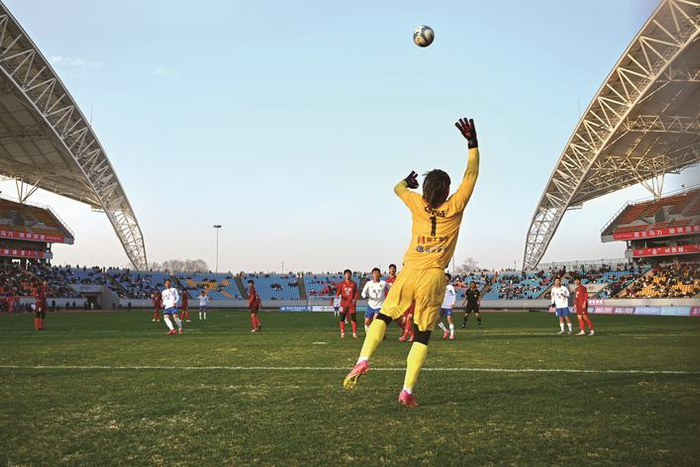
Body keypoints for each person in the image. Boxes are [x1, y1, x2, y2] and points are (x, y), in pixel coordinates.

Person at [344, 117, 481, 408]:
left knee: (383, 317)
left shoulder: (416, 203)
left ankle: (363, 358)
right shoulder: (455, 205)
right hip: (434, 276)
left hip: (409, 272)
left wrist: (408, 182)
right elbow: (471, 175)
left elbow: (397, 189)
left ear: (425, 190)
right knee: (422, 336)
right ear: (447, 190)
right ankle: (406, 390)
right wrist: (472, 143)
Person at [361, 268, 387, 333]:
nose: (376, 274)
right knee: (367, 321)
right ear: (372, 274)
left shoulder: (383, 283)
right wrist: (365, 297)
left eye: (377, 273)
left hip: (380, 305)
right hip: (371, 305)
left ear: (379, 274)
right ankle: (368, 332)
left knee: (375, 320)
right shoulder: (369, 283)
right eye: (374, 273)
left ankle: (375, 333)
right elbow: (363, 292)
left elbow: (391, 289)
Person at [336, 269, 359, 338]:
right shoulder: (341, 284)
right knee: (342, 318)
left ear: (351, 275)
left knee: (353, 318)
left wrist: (354, 299)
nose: (347, 275)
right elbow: (338, 292)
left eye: (349, 273)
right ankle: (342, 332)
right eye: (346, 274)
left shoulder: (354, 283)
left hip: (351, 304)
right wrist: (337, 296)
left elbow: (357, 292)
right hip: (343, 304)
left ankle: (354, 333)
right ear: (344, 275)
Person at [437, 273, 457, 340]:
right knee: (437, 319)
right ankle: (445, 330)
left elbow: (454, 295)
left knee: (449, 319)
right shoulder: (440, 286)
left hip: (448, 306)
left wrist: (452, 303)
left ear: (448, 279)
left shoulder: (450, 287)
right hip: (441, 306)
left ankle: (452, 334)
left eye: (446, 277)